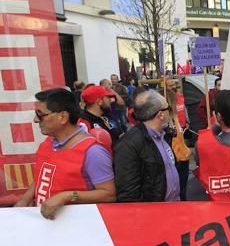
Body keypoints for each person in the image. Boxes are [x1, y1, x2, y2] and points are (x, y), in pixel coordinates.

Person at [14, 88, 115, 219]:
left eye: (41, 114)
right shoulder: (48, 143)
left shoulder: (93, 152)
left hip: (77, 229)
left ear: (63, 117)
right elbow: (44, 176)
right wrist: (27, 196)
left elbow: (109, 194)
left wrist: (66, 196)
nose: (35, 120)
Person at [114, 90, 180, 202]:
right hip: (155, 214)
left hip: (174, 207)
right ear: (161, 115)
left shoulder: (164, 135)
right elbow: (129, 194)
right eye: (168, 108)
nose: (170, 111)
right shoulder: (129, 144)